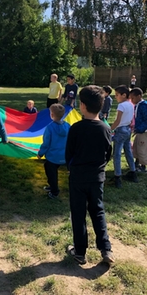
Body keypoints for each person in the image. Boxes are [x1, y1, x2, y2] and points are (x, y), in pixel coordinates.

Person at [65, 85, 114, 265]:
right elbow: (108, 153)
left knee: (78, 214)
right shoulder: (105, 128)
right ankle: (106, 249)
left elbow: (68, 153)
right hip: (96, 178)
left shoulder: (76, 128)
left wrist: (71, 168)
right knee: (98, 211)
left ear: (83, 106)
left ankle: (80, 252)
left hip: (78, 178)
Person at [37, 104, 70, 199]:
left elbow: (46, 143)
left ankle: (54, 191)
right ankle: (52, 186)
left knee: (51, 172)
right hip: (64, 156)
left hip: (53, 157)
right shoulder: (68, 126)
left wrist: (40, 153)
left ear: (51, 115)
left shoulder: (50, 128)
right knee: (49, 168)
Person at [110, 85, 137, 188]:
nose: (115, 97)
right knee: (128, 151)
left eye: (117, 95)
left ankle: (117, 177)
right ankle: (133, 172)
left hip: (121, 130)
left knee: (116, 154)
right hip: (128, 129)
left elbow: (117, 121)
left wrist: (109, 129)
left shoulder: (121, 106)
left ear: (124, 95)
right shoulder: (130, 104)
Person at [129, 87, 147, 172]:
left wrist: (140, 129)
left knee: (142, 148)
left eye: (133, 98)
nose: (131, 100)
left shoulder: (144, 106)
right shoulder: (137, 105)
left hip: (143, 131)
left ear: (139, 96)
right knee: (136, 147)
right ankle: (137, 162)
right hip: (138, 130)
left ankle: (143, 166)